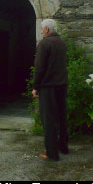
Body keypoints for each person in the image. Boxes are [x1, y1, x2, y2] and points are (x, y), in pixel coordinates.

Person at [32, 19, 68, 161]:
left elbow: (39, 67)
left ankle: (52, 153)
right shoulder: (62, 42)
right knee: (61, 116)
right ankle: (63, 147)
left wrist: (35, 87)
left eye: (42, 29)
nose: (41, 31)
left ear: (46, 29)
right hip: (62, 85)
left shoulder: (45, 43)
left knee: (49, 119)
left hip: (48, 87)